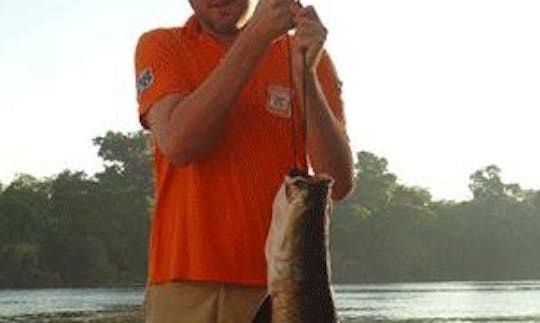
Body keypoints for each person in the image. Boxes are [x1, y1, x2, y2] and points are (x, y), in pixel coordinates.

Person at [134, 0, 354, 321]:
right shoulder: (163, 45)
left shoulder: (305, 51)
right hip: (186, 286)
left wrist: (304, 74)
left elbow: (337, 181)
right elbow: (179, 143)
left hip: (288, 285)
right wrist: (257, 37)